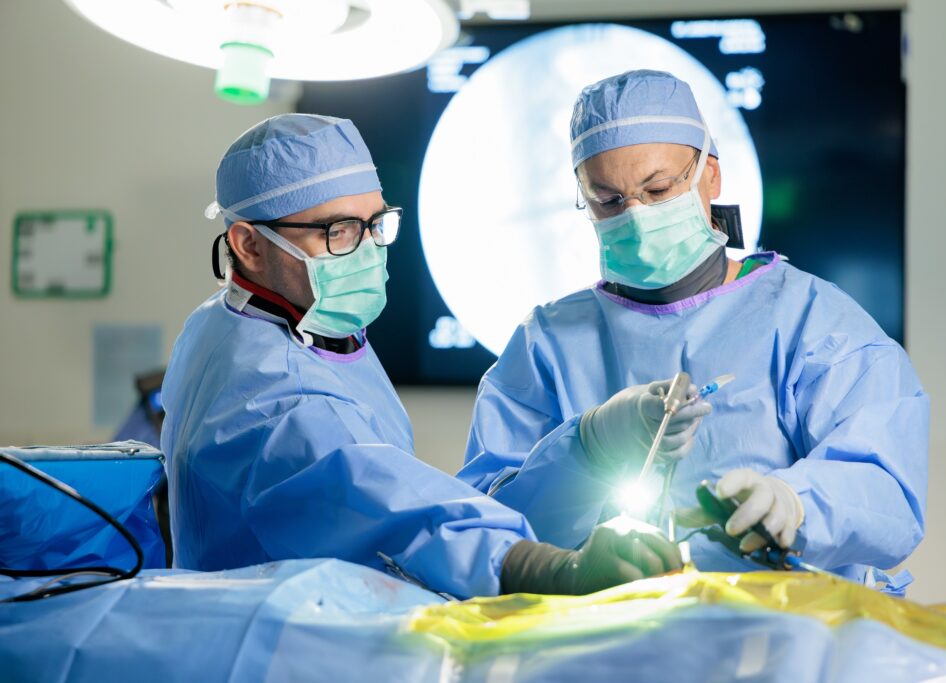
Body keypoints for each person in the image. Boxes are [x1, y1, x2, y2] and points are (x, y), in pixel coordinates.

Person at [160, 113, 681, 600]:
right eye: (337, 231)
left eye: (375, 224)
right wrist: (549, 568)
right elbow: (375, 500)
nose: (366, 250)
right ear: (249, 244)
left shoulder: (240, 319)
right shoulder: (268, 394)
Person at [459, 70, 928, 591]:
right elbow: (490, 529)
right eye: (608, 200)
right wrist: (587, 446)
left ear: (711, 176)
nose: (634, 217)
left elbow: (888, 493)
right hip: (603, 647)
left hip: (782, 644)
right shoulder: (545, 344)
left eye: (657, 189)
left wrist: (796, 504)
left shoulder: (813, 321)